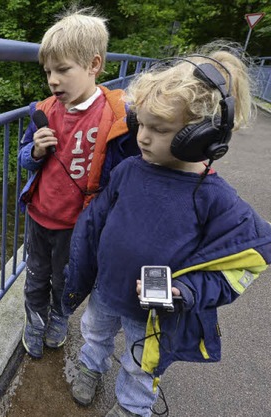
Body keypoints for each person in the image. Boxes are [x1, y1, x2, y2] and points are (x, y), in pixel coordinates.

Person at [61, 43, 271, 417]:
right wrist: (79, 266)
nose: (142, 137)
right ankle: (91, 368)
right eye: (140, 123)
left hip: (154, 311)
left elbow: (245, 264)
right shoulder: (128, 169)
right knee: (95, 333)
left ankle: (132, 407)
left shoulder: (214, 198)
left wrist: (187, 291)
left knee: (142, 364)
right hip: (107, 288)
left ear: (201, 137)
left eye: (158, 130)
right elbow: (95, 225)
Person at [18, 6, 139, 359]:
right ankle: (35, 319)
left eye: (63, 70)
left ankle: (59, 317)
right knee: (36, 273)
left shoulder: (116, 117)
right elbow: (24, 157)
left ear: (94, 65)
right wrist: (36, 153)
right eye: (48, 72)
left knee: (67, 278)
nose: (53, 80)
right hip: (40, 216)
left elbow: (128, 173)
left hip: (79, 224)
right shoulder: (44, 111)